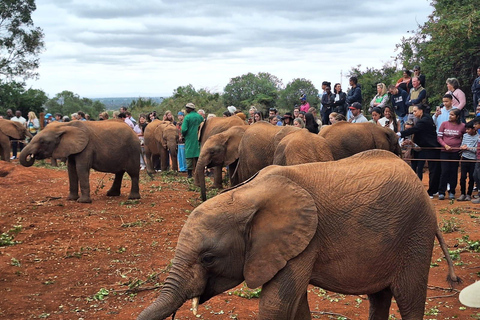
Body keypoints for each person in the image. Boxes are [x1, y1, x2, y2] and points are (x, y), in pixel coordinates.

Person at [398, 104, 441, 198]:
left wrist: (400, 133)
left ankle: (432, 191)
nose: (414, 113)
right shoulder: (422, 119)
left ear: (421, 111)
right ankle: (431, 189)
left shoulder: (425, 120)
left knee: (433, 169)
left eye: (415, 111)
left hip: (431, 147)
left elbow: (414, 129)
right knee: (421, 167)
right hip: (422, 147)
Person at [437, 108, 465, 200]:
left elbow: (466, 137)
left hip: (455, 152)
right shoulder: (444, 124)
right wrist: (445, 145)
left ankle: (452, 191)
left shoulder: (462, 126)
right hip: (444, 152)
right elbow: (439, 137)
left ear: (457, 117)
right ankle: (441, 192)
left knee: (453, 172)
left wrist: (462, 146)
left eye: (452, 115)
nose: (450, 116)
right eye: (450, 114)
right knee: (444, 171)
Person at [181, 103, 204, 178]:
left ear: (190, 109)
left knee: (189, 154)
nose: (186, 109)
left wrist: (183, 135)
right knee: (198, 153)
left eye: (187, 108)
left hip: (189, 138)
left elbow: (184, 129)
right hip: (199, 138)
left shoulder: (187, 117)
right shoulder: (200, 117)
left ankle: (190, 174)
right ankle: (198, 173)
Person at [457, 121, 478, 201]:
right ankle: (462, 193)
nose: (467, 131)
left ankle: (469, 194)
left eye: (469, 129)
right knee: (462, 177)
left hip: (473, 159)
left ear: (474, 129)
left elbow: (476, 149)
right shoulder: (465, 136)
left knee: (471, 177)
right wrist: (462, 147)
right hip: (465, 158)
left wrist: (468, 148)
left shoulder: (478, 138)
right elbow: (462, 144)